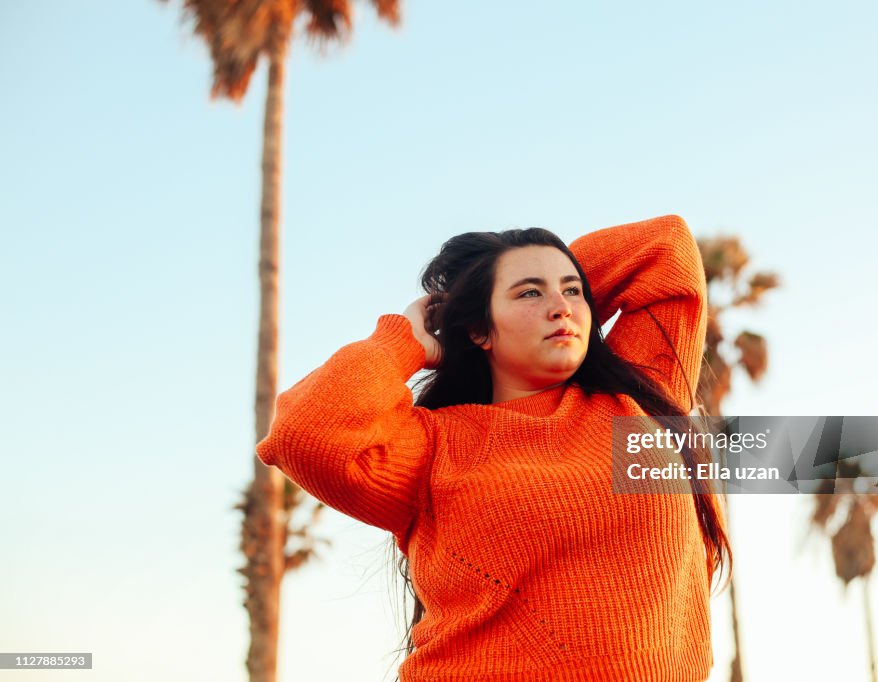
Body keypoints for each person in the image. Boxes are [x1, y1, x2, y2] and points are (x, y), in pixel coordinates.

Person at [256, 214, 731, 681]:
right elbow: (306, 431)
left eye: (573, 291)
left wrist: (533, 277)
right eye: (529, 292)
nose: (562, 307)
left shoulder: (634, 405)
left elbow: (665, 246)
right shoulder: (434, 445)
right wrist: (406, 339)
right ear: (478, 329)